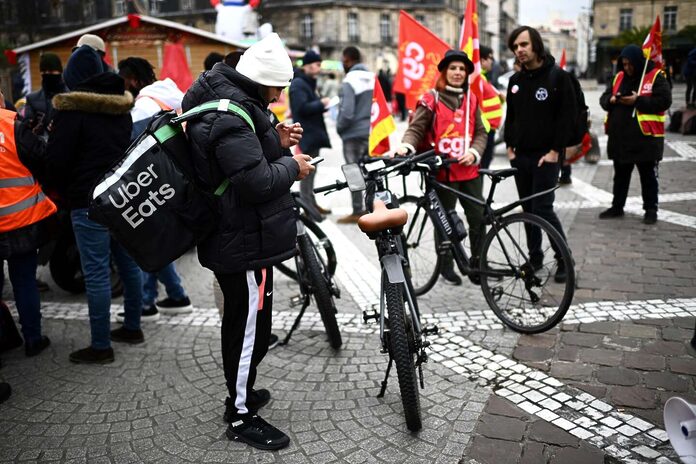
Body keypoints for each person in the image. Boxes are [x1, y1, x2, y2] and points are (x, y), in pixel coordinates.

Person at [182, 33, 313, 450]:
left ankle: (244, 393)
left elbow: (248, 153)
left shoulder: (233, 101)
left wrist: (279, 140)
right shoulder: (230, 115)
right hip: (240, 236)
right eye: (277, 88)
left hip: (241, 232)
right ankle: (239, 414)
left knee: (253, 324)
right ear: (260, 82)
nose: (278, 97)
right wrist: (293, 167)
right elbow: (255, 181)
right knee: (246, 327)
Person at [34, 45, 144, 363]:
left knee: (95, 273)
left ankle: (100, 346)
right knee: (128, 264)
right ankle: (133, 328)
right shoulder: (122, 108)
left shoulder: (72, 111)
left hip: (87, 200)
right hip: (119, 196)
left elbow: (56, 161)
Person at [396, 50, 487, 285]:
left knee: (478, 217)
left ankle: (478, 263)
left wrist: (474, 152)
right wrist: (406, 146)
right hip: (441, 171)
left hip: (468, 170)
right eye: (453, 68)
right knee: (443, 219)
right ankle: (446, 265)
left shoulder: (472, 99)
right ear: (445, 72)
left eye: (462, 69)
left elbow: (480, 132)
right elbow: (416, 128)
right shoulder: (431, 98)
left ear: (467, 73)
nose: (458, 72)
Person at [114, 57, 194, 322]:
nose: (121, 85)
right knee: (154, 241)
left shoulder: (144, 106)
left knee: (146, 242)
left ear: (134, 81)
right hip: (173, 178)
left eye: (123, 79)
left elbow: (128, 147)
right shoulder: (168, 95)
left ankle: (149, 303)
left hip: (152, 182)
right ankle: (174, 295)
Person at [504, 26, 576, 283]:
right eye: (515, 47)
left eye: (523, 44)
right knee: (528, 209)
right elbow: (511, 117)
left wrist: (556, 151)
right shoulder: (515, 81)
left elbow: (565, 119)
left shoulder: (558, 77)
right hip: (520, 156)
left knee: (543, 208)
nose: (519, 50)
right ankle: (535, 258)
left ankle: (564, 259)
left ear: (536, 45)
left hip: (547, 156)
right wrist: (509, 146)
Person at [0, 89, 56, 357]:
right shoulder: (12, 125)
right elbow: (43, 158)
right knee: (24, 281)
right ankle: (33, 338)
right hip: (21, 220)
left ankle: (5, 338)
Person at [599, 44, 671, 225]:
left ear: (639, 62)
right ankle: (617, 206)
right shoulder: (619, 77)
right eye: (624, 64)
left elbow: (664, 101)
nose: (628, 68)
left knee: (648, 177)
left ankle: (651, 209)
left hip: (645, 140)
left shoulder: (655, 76)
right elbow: (604, 98)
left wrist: (637, 100)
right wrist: (612, 99)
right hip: (620, 139)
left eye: (631, 64)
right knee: (620, 176)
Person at [289, 50, 332, 215]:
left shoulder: (307, 82)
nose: (319, 68)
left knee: (312, 171)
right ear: (307, 65)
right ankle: (307, 207)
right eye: (317, 64)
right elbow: (301, 108)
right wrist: (321, 104)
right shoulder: (299, 83)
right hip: (307, 133)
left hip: (313, 132)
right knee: (307, 171)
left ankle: (311, 202)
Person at [336, 46, 373, 224]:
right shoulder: (372, 77)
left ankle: (358, 210)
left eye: (343, 60)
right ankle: (373, 206)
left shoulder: (350, 79)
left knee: (353, 171)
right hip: (371, 132)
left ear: (348, 60)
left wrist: (340, 127)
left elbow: (347, 111)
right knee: (372, 171)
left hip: (353, 133)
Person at [22, 53, 67, 141]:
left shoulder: (71, 97)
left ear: (59, 71)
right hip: (41, 148)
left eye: (50, 72)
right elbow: (26, 129)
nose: (47, 75)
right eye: (44, 72)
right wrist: (33, 125)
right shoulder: (32, 99)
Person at [479, 45, 504, 169]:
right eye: (489, 58)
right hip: (484, 130)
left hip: (489, 129)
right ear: (482, 60)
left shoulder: (482, 78)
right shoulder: (476, 79)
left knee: (485, 164)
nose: (492, 61)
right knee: (482, 166)